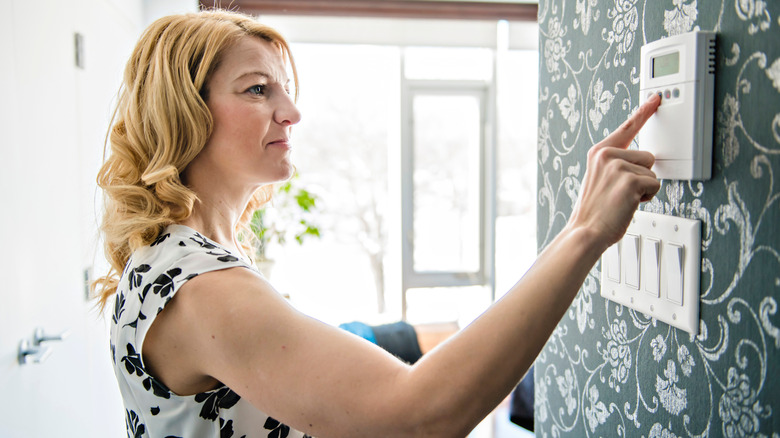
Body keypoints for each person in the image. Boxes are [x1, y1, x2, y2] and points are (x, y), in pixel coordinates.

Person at [95, 9, 662, 438]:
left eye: (285, 90)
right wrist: (583, 232)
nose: (290, 112)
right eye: (257, 89)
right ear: (184, 113)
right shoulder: (202, 290)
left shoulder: (174, 261)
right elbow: (419, 416)